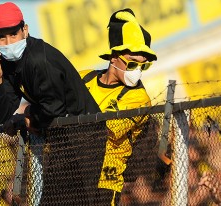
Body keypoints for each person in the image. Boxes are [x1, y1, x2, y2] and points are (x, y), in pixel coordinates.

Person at [0, 2, 102, 205]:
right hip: (62, 137)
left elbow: (53, 105)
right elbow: (2, 114)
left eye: (13, 34)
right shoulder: (9, 64)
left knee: (88, 201)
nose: (8, 41)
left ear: (25, 30)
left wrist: (29, 114)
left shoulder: (39, 58)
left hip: (86, 136)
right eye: (1, 36)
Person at [79, 8, 157, 205]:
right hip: (72, 176)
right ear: (114, 57)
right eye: (132, 64)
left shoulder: (139, 98)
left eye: (143, 65)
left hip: (106, 182)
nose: (137, 71)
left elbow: (99, 131)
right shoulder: (82, 77)